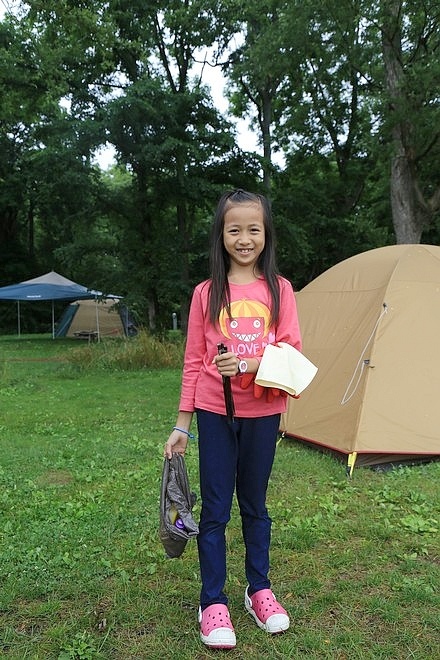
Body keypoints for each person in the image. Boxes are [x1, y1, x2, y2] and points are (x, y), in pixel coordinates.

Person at [164, 189, 302, 649]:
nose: (244, 238)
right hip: (215, 413)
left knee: (256, 507)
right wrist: (183, 425)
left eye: (253, 229)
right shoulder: (206, 293)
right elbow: (191, 361)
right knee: (215, 512)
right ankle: (212, 602)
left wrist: (246, 365)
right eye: (234, 229)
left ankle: (258, 590)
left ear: (266, 234)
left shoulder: (280, 290)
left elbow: (291, 354)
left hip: (263, 413)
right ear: (221, 235)